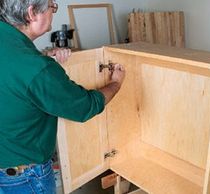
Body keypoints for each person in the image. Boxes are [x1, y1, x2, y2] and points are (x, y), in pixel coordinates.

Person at [0, 0, 125, 193]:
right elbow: (85, 106)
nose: (53, 11)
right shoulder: (36, 69)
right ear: (32, 14)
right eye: (52, 6)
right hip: (24, 179)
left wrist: (45, 59)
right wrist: (116, 83)